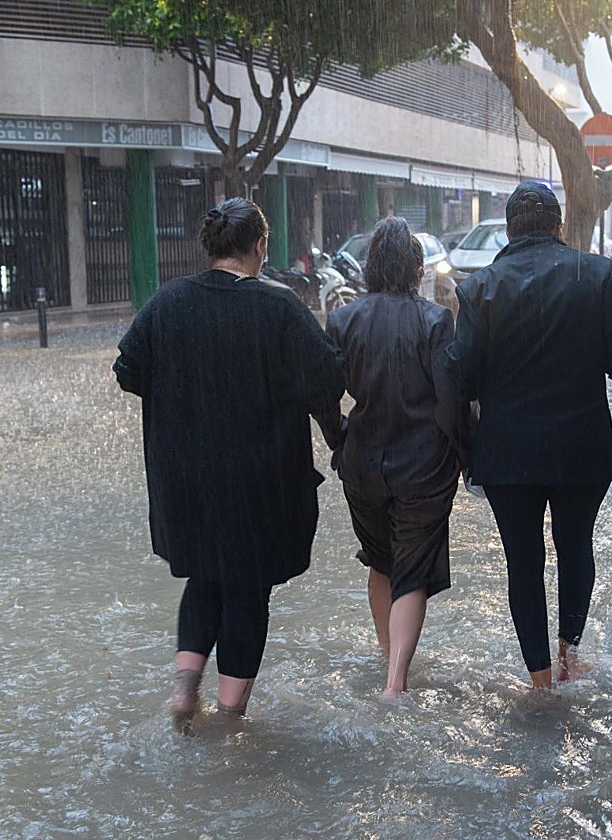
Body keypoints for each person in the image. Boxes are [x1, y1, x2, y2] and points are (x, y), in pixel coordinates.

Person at [113, 198, 344, 727]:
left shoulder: (168, 302)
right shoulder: (279, 307)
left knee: (203, 578)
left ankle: (183, 688)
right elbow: (329, 380)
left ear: (210, 246)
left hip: (185, 482)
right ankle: (230, 713)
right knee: (246, 590)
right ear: (260, 247)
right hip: (257, 484)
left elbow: (128, 370)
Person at [447, 181, 612, 689]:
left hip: (508, 451)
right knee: (576, 545)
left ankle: (538, 681)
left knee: (523, 561)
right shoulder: (596, 274)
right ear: (558, 227)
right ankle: (570, 658)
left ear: (508, 232)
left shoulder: (479, 288)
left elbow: (461, 379)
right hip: (581, 445)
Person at [318, 217, 470, 702]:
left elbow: (323, 394)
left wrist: (338, 441)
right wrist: (465, 458)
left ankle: (388, 656)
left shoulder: (343, 320)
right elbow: (450, 401)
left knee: (380, 560)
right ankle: (396, 680)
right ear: (414, 267)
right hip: (422, 464)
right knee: (412, 568)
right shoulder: (433, 320)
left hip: (362, 462)